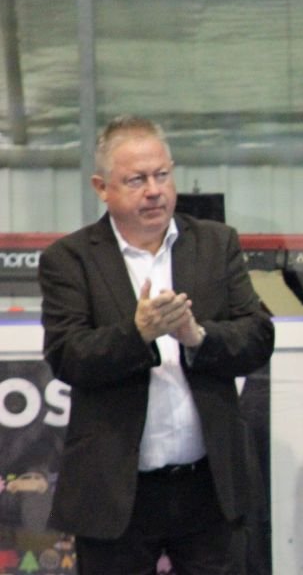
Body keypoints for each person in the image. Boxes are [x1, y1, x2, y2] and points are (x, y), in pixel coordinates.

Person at [38, 115, 275, 574]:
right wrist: (138, 334)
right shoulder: (69, 259)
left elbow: (258, 336)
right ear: (102, 188)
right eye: (137, 180)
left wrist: (198, 337)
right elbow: (68, 355)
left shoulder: (215, 243)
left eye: (162, 175)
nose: (154, 191)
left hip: (209, 488)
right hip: (114, 494)